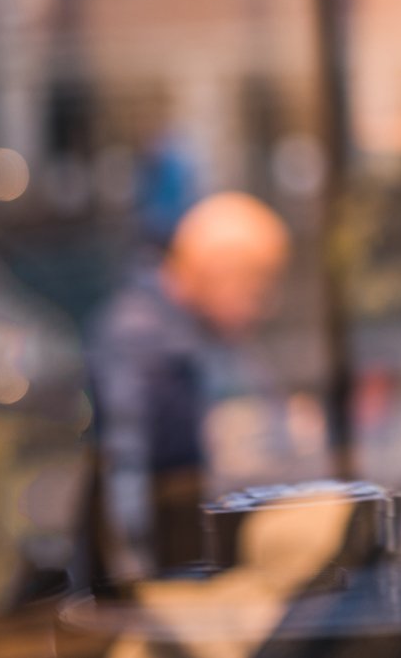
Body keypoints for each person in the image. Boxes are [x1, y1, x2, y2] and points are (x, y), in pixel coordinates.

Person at [86, 192, 294, 579]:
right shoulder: (141, 339)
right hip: (174, 564)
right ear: (222, 272)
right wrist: (140, 581)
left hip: (203, 550)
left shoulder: (205, 331)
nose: (268, 306)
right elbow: (128, 472)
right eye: (260, 289)